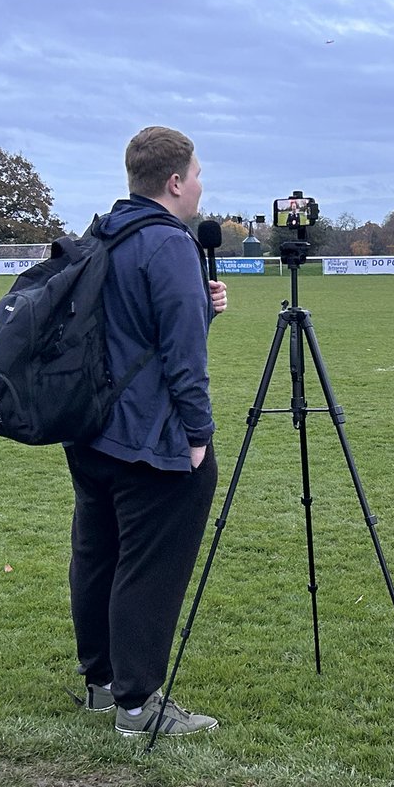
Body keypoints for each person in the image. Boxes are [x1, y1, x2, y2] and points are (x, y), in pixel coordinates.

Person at [64, 125, 229, 736]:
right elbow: (184, 360)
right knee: (148, 564)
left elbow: (126, 328)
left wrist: (199, 309)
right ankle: (139, 705)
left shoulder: (102, 232)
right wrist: (198, 435)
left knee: (96, 552)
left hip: (88, 427)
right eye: (199, 174)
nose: (201, 186)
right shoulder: (169, 245)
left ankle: (102, 686)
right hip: (148, 435)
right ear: (176, 181)